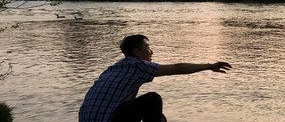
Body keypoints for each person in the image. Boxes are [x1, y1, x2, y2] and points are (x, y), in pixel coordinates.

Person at [79, 34, 232, 122]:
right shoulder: (137, 65)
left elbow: (121, 104)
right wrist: (210, 66)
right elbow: (178, 68)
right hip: (107, 119)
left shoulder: (114, 68)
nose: (152, 52)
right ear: (137, 52)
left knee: (158, 116)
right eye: (147, 48)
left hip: (88, 118)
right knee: (153, 99)